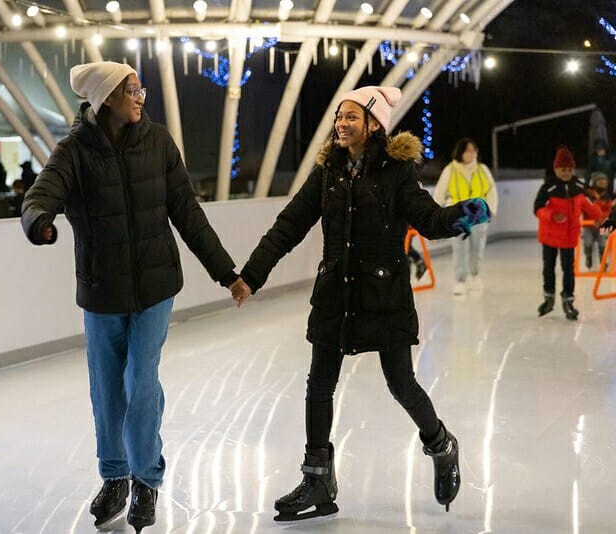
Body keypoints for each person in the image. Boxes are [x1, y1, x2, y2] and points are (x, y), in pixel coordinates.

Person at [230, 86, 490, 522]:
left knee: (401, 384)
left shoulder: (396, 172)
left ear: (374, 124)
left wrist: (467, 213)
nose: (341, 124)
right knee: (319, 385)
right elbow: (289, 224)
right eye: (338, 116)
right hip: (336, 293)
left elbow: (428, 220)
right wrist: (251, 275)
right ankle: (317, 479)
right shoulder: (328, 171)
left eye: (351, 116)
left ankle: (441, 445)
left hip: (383, 295)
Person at [20, 61, 241, 533]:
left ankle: (145, 479)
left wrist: (226, 273)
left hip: (155, 287)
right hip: (102, 291)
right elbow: (42, 193)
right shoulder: (74, 150)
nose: (141, 98)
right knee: (106, 389)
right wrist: (40, 221)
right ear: (106, 98)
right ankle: (115, 475)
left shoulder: (158, 142)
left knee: (140, 382)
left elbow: (186, 210)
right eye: (133, 90)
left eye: (142, 90)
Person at [534, 146, 602, 320]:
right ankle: (548, 298)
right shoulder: (548, 187)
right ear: (556, 169)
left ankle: (568, 300)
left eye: (569, 169)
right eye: (562, 169)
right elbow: (538, 208)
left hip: (569, 237)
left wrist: (599, 217)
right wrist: (551, 215)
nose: (566, 173)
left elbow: (589, 204)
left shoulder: (579, 187)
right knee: (548, 268)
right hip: (549, 236)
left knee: (568, 270)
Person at [433, 138, 498, 295]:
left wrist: (491, 210)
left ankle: (474, 276)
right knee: (459, 249)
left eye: (474, 150)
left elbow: (491, 191)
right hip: (458, 216)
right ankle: (460, 280)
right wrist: (436, 213)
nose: (472, 153)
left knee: (477, 248)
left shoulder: (482, 169)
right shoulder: (451, 169)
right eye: (469, 150)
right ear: (461, 152)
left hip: (479, 217)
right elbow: (440, 192)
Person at [582, 172, 614, 269]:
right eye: (600, 181)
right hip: (588, 225)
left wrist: (600, 218)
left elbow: (608, 210)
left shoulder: (608, 196)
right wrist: (594, 217)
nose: (603, 183)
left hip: (601, 225)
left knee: (602, 245)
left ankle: (603, 261)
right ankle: (588, 257)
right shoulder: (588, 195)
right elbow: (585, 208)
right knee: (587, 243)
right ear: (595, 182)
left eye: (605, 182)